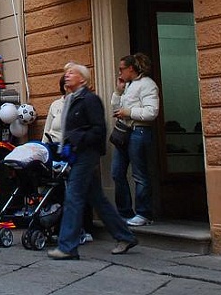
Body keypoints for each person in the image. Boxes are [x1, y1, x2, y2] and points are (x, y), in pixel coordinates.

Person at [47, 62, 138, 260]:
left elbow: (99, 130)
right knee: (97, 198)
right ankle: (125, 236)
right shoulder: (72, 100)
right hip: (76, 154)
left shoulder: (90, 100)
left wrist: (77, 141)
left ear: (83, 79)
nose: (67, 75)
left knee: (73, 197)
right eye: (66, 73)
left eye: (72, 73)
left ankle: (67, 246)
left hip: (86, 154)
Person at [42, 76, 95, 244]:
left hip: (75, 151)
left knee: (79, 190)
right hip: (56, 151)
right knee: (57, 190)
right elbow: (47, 130)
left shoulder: (83, 104)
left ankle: (85, 228)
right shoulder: (55, 105)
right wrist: (44, 151)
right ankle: (59, 227)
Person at [111, 52, 160, 226]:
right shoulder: (128, 85)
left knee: (139, 174)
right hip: (125, 131)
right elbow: (116, 108)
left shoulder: (147, 85)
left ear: (130, 68)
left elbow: (152, 112)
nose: (119, 73)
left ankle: (143, 213)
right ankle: (124, 212)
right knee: (117, 172)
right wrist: (118, 91)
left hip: (139, 131)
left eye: (121, 69)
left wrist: (129, 112)